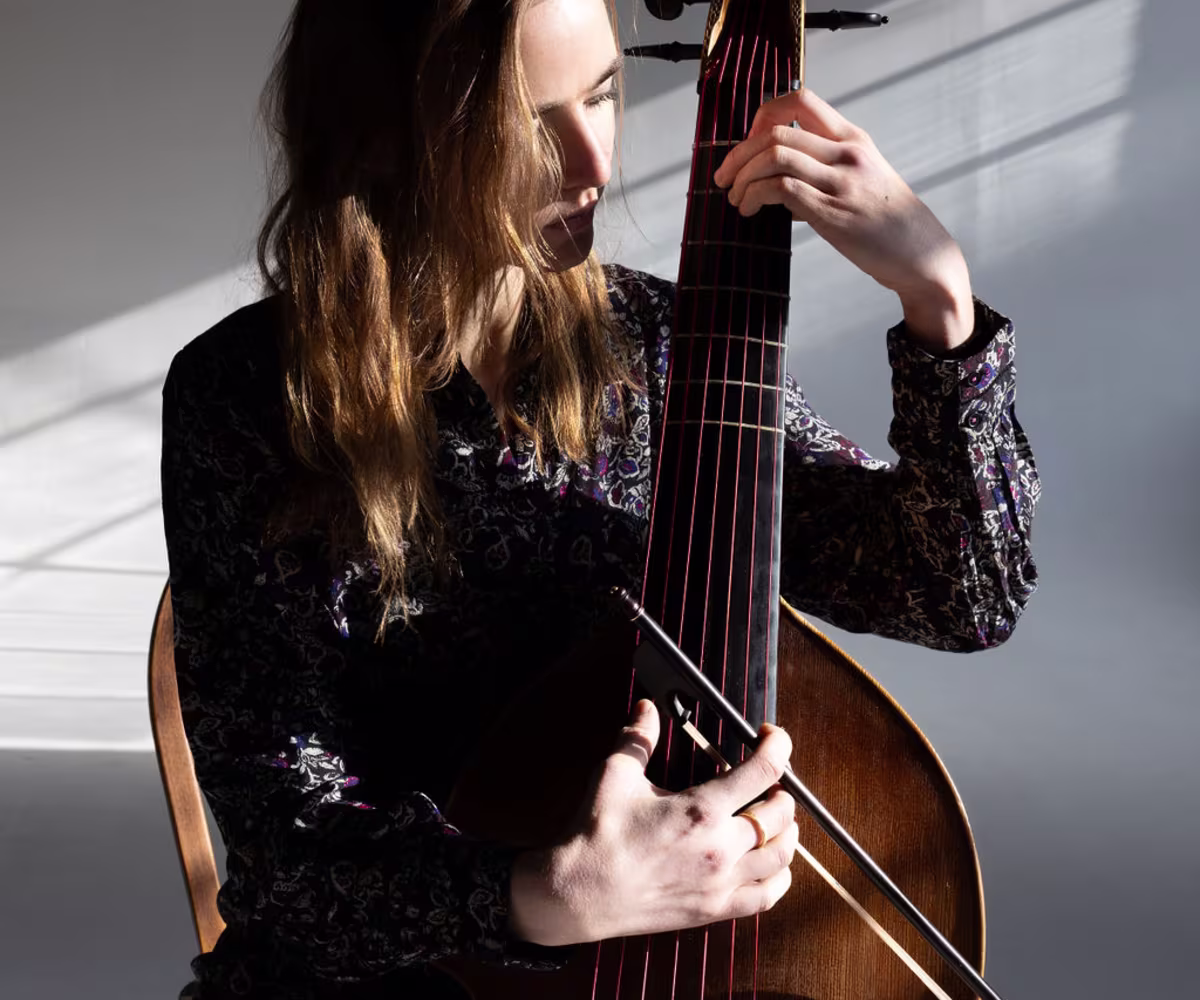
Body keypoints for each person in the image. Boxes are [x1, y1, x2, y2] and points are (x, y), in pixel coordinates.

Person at [160, 1, 1040, 997]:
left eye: (606, 92)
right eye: (530, 124)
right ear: (385, 131)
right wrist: (555, 894)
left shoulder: (665, 348)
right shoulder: (246, 400)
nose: (590, 161)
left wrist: (941, 303)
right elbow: (283, 844)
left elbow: (959, 596)